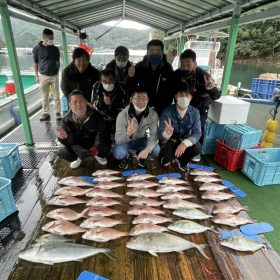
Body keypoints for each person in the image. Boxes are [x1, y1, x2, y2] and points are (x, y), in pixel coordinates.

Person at [170, 49, 221, 161]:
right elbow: (169, 90)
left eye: (188, 64)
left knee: (198, 128)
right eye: (183, 64)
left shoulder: (204, 75)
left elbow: (217, 96)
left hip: (200, 108)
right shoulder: (176, 74)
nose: (185, 67)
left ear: (195, 64)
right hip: (181, 106)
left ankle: (195, 150)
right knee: (178, 126)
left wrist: (211, 88)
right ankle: (178, 146)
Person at [57, 90, 107, 168]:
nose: (79, 105)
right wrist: (63, 139)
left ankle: (97, 155)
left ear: (86, 102)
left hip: (93, 144)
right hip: (78, 146)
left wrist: (96, 147)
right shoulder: (66, 120)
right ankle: (79, 157)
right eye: (75, 102)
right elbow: (70, 142)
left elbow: (100, 134)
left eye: (81, 101)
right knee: (64, 153)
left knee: (106, 147)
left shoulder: (97, 116)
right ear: (70, 104)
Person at [113, 87, 160, 170]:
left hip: (142, 140)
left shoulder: (153, 114)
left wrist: (147, 149)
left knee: (156, 149)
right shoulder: (122, 115)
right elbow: (118, 140)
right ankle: (126, 157)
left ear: (148, 100)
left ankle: (141, 156)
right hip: (127, 141)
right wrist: (127, 134)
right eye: (137, 98)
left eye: (144, 98)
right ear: (131, 99)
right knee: (119, 153)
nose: (141, 101)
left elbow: (153, 136)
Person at [159, 83, 201, 172]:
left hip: (184, 140)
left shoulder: (195, 112)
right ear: (175, 96)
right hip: (170, 141)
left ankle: (182, 162)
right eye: (181, 95)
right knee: (166, 157)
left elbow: (197, 132)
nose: (184, 98)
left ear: (191, 97)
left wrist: (185, 143)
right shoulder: (167, 111)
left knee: (197, 147)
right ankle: (166, 158)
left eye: (187, 95)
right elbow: (160, 133)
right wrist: (166, 133)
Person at [127, 39, 173, 116]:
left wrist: (165, 105)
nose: (155, 53)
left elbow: (171, 89)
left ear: (162, 53)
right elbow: (130, 88)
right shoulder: (139, 67)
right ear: (147, 52)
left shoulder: (168, 68)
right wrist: (130, 77)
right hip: (142, 107)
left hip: (162, 109)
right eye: (151, 51)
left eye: (158, 51)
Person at [91, 68, 127, 154]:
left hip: (116, 118)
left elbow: (123, 108)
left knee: (118, 140)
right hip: (101, 118)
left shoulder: (122, 88)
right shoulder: (97, 86)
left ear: (115, 80)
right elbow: (93, 104)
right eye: (104, 81)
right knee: (103, 149)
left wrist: (110, 106)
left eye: (110, 80)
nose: (107, 83)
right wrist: (103, 102)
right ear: (100, 81)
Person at [32, 28, 61, 121]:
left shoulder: (55, 49)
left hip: (54, 75)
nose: (51, 40)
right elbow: (35, 63)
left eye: (52, 38)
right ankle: (46, 113)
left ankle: (58, 112)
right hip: (43, 76)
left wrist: (57, 71)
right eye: (49, 38)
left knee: (56, 95)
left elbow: (58, 61)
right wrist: (36, 76)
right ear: (44, 38)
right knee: (45, 96)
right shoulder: (36, 49)